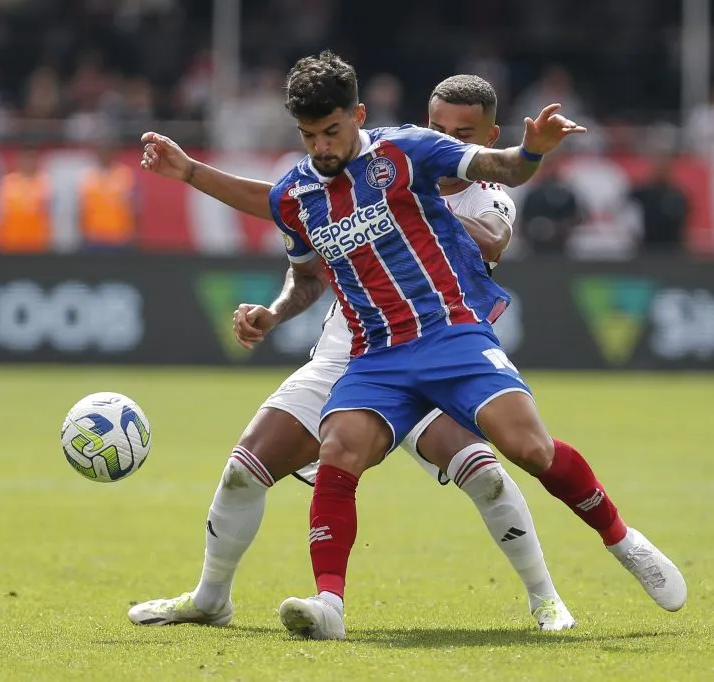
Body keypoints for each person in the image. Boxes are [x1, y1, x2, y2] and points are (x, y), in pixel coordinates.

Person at [257, 51, 685, 640]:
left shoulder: (425, 164)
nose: (322, 145)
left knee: (526, 448)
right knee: (340, 449)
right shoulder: (332, 177)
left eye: (330, 131)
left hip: (451, 335)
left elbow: (503, 173)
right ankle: (329, 602)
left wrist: (532, 151)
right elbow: (295, 234)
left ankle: (622, 541)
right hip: (377, 352)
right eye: (311, 135)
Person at [128, 75, 576, 632]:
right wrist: (272, 309)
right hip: (354, 354)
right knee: (243, 470)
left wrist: (407, 205)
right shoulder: (342, 179)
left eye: (462, 132)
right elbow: (290, 235)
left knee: (482, 472)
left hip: (434, 348)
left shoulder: (471, 190)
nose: (446, 137)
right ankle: (211, 598)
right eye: (438, 127)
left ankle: (546, 599)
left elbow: (489, 238)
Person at [625, 152, 689, 254]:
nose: (661, 172)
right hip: (648, 247)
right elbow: (628, 200)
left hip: (671, 248)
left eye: (664, 169)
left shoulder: (677, 196)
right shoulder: (644, 192)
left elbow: (682, 224)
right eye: (659, 169)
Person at [0, 146, 51, 253]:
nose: (29, 162)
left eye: (32, 159)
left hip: (37, 244)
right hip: (10, 242)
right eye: (26, 158)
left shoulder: (45, 183)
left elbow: (50, 214)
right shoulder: (8, 182)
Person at [77, 143, 137, 250]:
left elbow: (134, 207)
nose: (105, 156)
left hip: (119, 237)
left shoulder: (125, 175)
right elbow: (81, 208)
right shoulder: (88, 177)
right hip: (94, 237)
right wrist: (83, 234)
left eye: (108, 152)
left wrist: (132, 235)